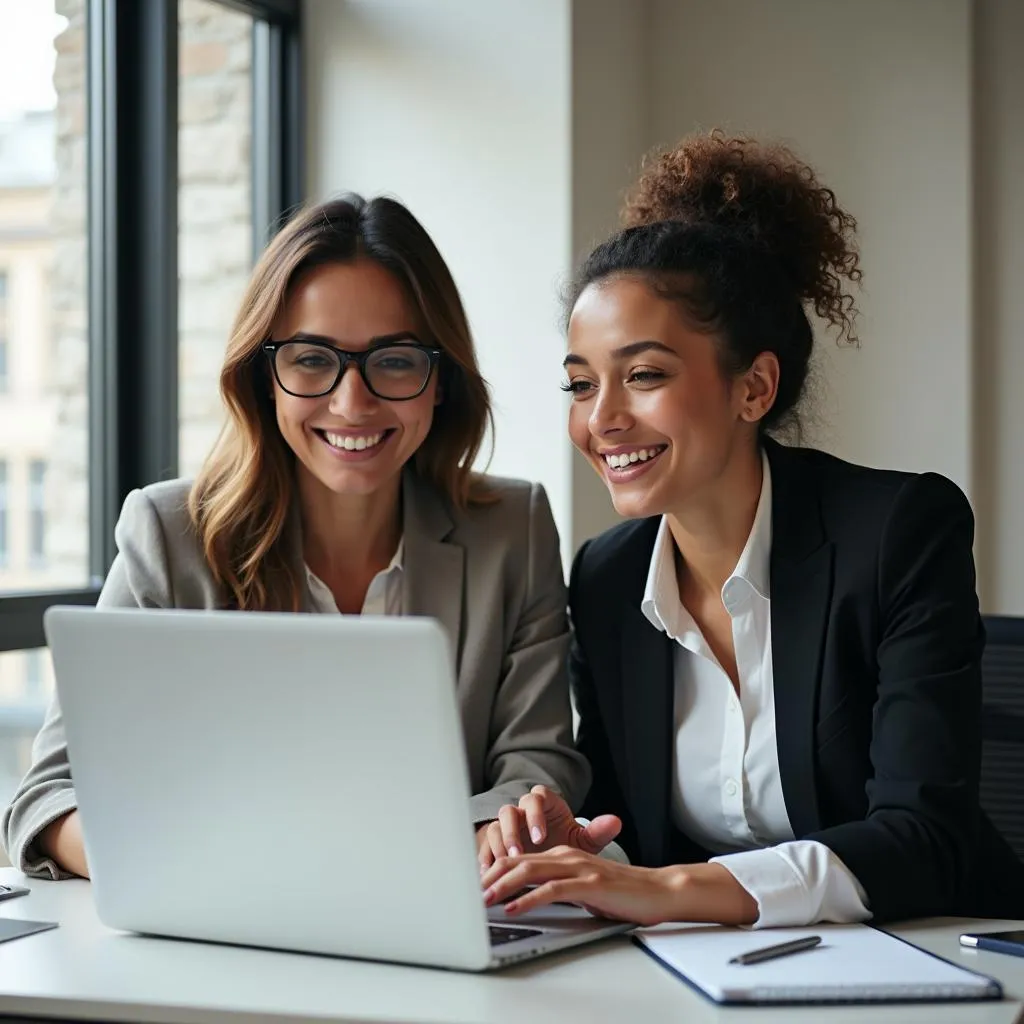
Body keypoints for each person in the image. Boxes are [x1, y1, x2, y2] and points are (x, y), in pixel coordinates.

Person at [478, 132, 1024, 927]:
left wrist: (664, 891)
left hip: (938, 956)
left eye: (645, 375)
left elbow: (922, 839)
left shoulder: (897, 533)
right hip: (713, 974)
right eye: (580, 384)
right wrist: (589, 847)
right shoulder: (607, 576)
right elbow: (637, 828)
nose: (602, 420)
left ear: (754, 387)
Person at [2, 194, 588, 880]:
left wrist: (505, 824)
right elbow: (49, 797)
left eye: (395, 360)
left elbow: (539, 765)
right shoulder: (167, 536)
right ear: (264, 376)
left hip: (440, 922)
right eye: (312, 359)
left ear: (440, 382)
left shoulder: (510, 531)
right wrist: (187, 862)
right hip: (219, 929)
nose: (352, 402)